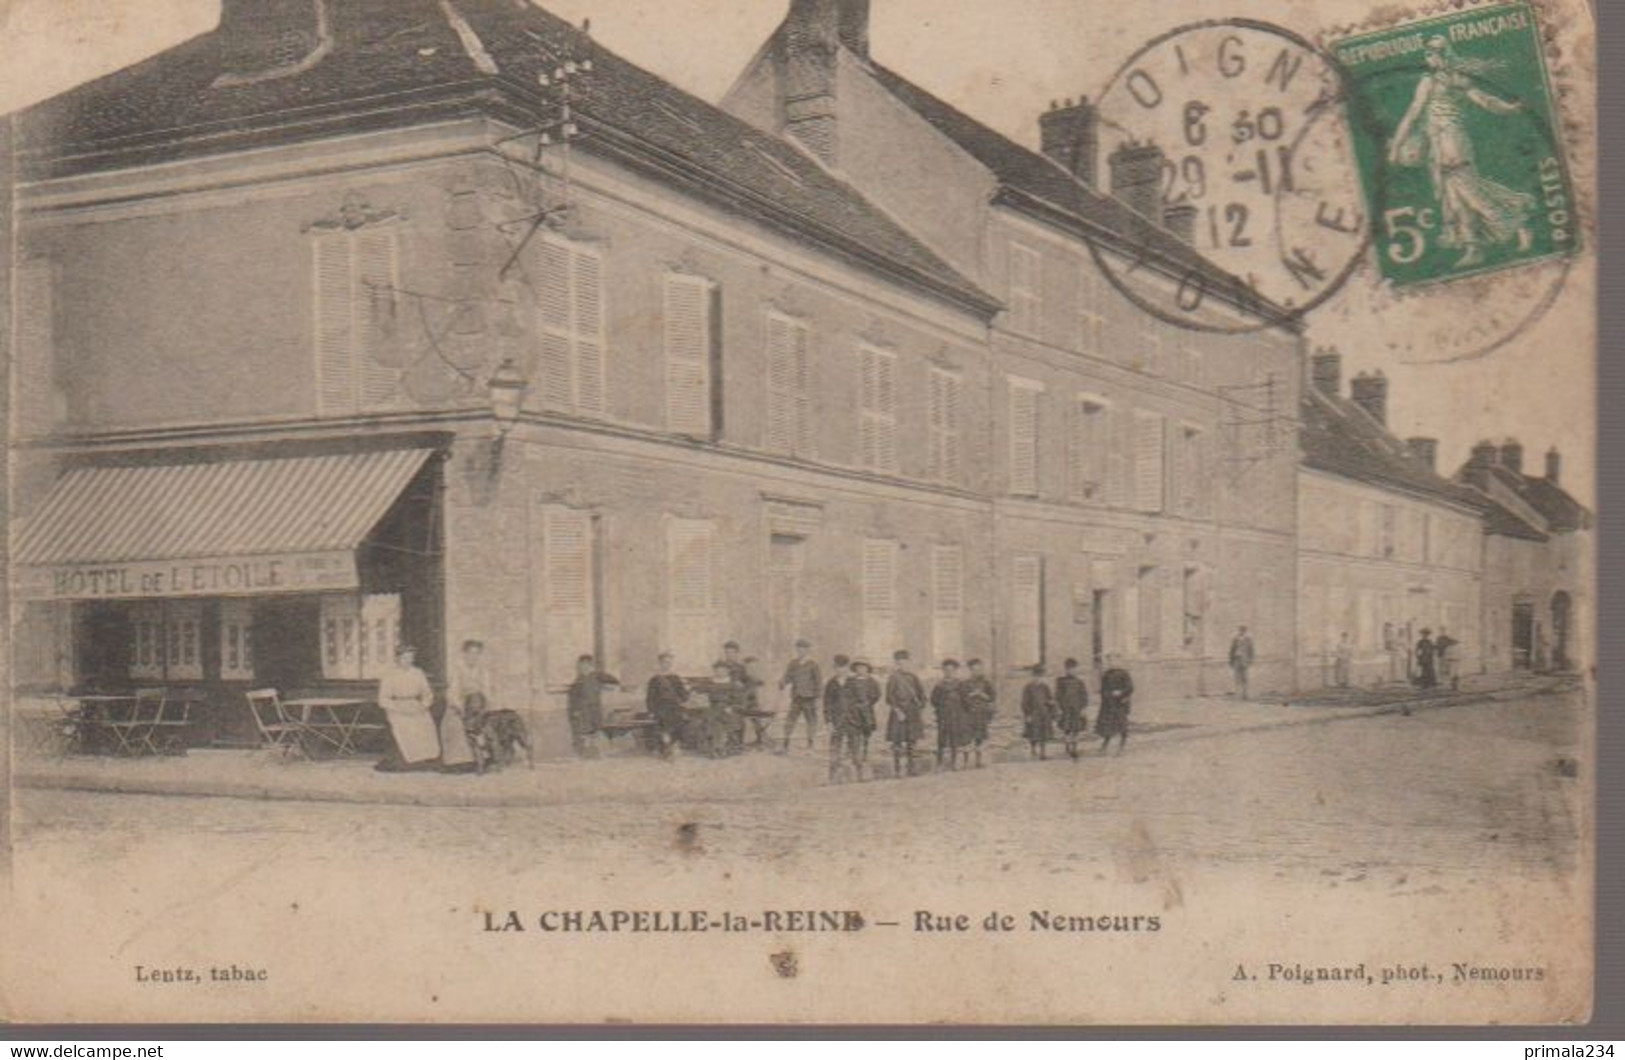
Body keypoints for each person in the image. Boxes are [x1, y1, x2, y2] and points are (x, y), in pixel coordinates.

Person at [1388, 36, 1534, 269]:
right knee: (1459, 198)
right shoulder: (1457, 78)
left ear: (1440, 55)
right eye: (1427, 54)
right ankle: (1474, 247)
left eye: (1431, 53)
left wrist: (1396, 146)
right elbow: (1486, 101)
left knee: (1472, 196)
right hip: (1453, 142)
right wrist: (1510, 108)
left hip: (1448, 144)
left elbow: (1412, 115)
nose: (1428, 58)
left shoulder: (1430, 81)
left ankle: (1516, 223)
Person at [375, 645, 440, 773]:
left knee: (425, 725)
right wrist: (398, 707)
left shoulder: (418, 673)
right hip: (397, 707)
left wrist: (422, 706)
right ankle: (406, 761)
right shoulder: (389, 675)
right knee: (404, 726)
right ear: (398, 659)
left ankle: (424, 761)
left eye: (411, 658)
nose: (408, 661)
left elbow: (427, 694)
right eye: (405, 658)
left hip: (415, 705)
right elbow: (383, 699)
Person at [439, 638, 486, 774]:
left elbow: (487, 689)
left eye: (477, 653)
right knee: (454, 725)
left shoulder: (482, 671)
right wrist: (459, 706)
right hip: (460, 704)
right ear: (464, 654)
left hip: (477, 705)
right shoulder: (458, 670)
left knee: (482, 725)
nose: (473, 657)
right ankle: (458, 763)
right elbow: (452, 691)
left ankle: (481, 759)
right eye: (470, 653)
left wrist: (484, 702)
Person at [566, 654, 620, 758]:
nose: (583, 667)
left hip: (595, 710)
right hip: (583, 711)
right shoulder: (578, 681)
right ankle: (587, 754)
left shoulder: (596, 677)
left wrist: (603, 681)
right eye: (581, 665)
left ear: (590, 665)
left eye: (586, 665)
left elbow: (614, 681)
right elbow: (573, 699)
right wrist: (575, 711)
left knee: (595, 732)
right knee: (585, 733)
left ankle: (595, 753)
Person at [884, 650, 926, 778]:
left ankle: (911, 768)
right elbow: (889, 697)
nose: (902, 665)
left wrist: (920, 707)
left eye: (904, 662)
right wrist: (897, 711)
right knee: (897, 742)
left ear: (908, 662)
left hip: (912, 712)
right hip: (899, 713)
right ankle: (897, 770)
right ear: (896, 663)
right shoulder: (893, 678)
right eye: (899, 662)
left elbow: (922, 695)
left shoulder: (913, 677)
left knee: (912, 741)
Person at [718, 641, 767, 748]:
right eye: (727, 652)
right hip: (727, 697)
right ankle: (735, 742)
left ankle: (760, 738)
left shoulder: (741, 667)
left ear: (736, 653)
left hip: (740, 697)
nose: (729, 655)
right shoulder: (721, 666)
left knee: (754, 708)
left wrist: (756, 681)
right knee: (736, 714)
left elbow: (747, 680)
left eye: (731, 653)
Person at [826, 661, 867, 784]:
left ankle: (860, 775)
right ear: (834, 668)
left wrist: (858, 717)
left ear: (847, 668)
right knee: (835, 750)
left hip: (852, 721)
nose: (840, 670)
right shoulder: (831, 684)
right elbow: (826, 704)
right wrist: (828, 721)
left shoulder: (853, 682)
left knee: (855, 749)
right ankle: (832, 777)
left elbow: (862, 701)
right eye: (838, 667)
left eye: (843, 667)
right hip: (837, 721)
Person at [644, 651, 690, 759]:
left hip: (674, 707)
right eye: (664, 662)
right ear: (660, 663)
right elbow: (650, 697)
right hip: (660, 708)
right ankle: (666, 748)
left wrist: (685, 694)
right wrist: (651, 711)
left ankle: (672, 747)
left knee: (677, 724)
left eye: (669, 662)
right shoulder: (654, 679)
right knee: (663, 727)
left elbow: (683, 695)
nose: (667, 665)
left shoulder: (676, 678)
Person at [779, 639, 822, 752]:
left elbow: (818, 682)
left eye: (803, 649)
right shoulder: (793, 664)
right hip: (796, 697)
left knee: (811, 721)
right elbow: (788, 677)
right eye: (798, 649)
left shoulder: (813, 665)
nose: (800, 651)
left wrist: (817, 697)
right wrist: (782, 682)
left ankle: (810, 745)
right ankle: (785, 744)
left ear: (807, 650)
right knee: (790, 720)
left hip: (809, 698)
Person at [698, 661, 744, 758]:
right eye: (717, 670)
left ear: (727, 671)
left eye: (722, 670)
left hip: (729, 708)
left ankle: (720, 748)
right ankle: (717, 748)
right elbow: (698, 690)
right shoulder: (710, 682)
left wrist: (731, 707)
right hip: (713, 707)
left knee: (722, 720)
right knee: (711, 720)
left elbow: (739, 700)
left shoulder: (734, 684)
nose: (720, 672)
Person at [930, 659, 970, 770]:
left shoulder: (961, 685)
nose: (949, 672)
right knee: (941, 740)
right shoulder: (939, 685)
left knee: (955, 739)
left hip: (957, 716)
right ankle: (940, 763)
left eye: (952, 670)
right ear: (943, 671)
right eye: (946, 670)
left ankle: (954, 762)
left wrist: (964, 714)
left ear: (955, 671)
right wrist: (940, 710)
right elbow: (934, 700)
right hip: (943, 716)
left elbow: (966, 701)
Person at [845, 659, 882, 774]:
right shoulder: (850, 681)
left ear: (867, 669)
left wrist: (868, 702)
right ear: (855, 669)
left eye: (864, 667)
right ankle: (855, 756)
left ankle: (865, 754)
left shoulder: (872, 682)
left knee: (867, 733)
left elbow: (877, 695)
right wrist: (853, 705)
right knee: (854, 733)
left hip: (867, 711)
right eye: (859, 667)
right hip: (854, 712)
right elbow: (847, 695)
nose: (861, 670)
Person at [962, 658, 996, 769]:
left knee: (980, 738)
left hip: (981, 713)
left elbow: (992, 697)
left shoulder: (986, 683)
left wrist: (982, 694)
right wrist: (971, 694)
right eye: (973, 669)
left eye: (978, 669)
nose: (976, 672)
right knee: (967, 738)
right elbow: (962, 699)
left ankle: (978, 761)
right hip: (969, 713)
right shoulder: (966, 683)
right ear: (970, 670)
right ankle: (966, 762)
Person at [1096, 655, 1133, 755]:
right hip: (1109, 704)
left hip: (1120, 703)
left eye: (1113, 660)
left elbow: (1130, 687)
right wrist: (1108, 696)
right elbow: (1103, 690)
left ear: (1118, 661)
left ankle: (1122, 746)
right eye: (1109, 661)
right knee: (1108, 726)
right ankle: (1104, 746)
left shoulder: (1124, 674)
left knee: (1122, 725)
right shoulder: (1106, 675)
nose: (1111, 663)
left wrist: (1120, 693)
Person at [1055, 657, 1090, 760]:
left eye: (1074, 669)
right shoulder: (1061, 681)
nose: (1072, 671)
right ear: (1066, 669)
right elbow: (1058, 695)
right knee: (1067, 729)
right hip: (1066, 709)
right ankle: (1067, 746)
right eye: (1069, 669)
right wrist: (1060, 708)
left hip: (1077, 709)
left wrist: (1083, 708)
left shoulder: (1079, 682)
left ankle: (1074, 748)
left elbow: (1084, 696)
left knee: (1076, 729)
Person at [1021, 664, 1056, 760]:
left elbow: (1050, 698)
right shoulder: (1028, 687)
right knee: (1033, 733)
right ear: (1032, 676)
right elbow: (1025, 702)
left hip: (1044, 713)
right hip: (1033, 713)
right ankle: (1033, 749)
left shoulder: (1045, 687)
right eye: (1036, 676)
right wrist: (1027, 714)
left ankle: (1042, 752)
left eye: (1040, 676)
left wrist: (1051, 705)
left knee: (1043, 734)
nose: (1038, 678)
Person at [1229, 626, 1255, 700]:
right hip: (1237, 659)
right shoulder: (1235, 639)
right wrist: (1231, 661)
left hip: (1244, 660)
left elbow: (1251, 650)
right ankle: (1238, 694)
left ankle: (1246, 694)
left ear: (1245, 631)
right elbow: (1232, 650)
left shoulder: (1248, 639)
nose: (1241, 632)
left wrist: (1250, 660)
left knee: (1245, 678)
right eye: (1240, 630)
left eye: (1243, 631)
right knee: (1237, 677)